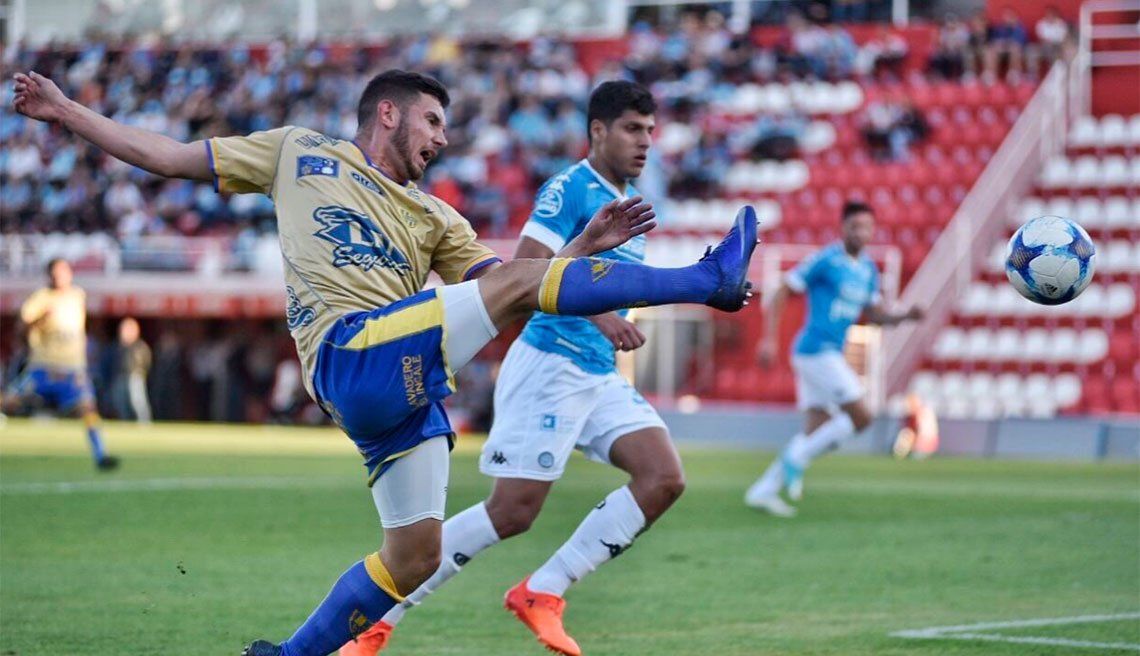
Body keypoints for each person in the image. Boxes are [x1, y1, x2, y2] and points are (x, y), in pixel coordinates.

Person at [13, 69, 758, 656]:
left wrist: (580, 252)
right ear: (390, 114)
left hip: (401, 388)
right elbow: (169, 157)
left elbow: (515, 293)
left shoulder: (436, 217)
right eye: (433, 121)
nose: (442, 139)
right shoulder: (298, 151)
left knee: (414, 557)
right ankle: (706, 281)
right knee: (509, 304)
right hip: (349, 347)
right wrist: (67, 111)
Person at [341, 81, 675, 656]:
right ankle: (376, 619)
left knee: (663, 477)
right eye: (631, 129)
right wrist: (603, 317)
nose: (644, 141)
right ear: (598, 131)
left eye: (649, 130)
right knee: (512, 511)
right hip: (550, 363)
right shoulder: (569, 189)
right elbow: (527, 267)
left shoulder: (632, 199)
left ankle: (543, 590)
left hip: (597, 373)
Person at [745, 201, 923, 517]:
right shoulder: (827, 260)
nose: (861, 233)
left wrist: (905, 316)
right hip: (816, 349)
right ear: (843, 228)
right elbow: (782, 290)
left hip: (827, 354)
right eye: (855, 227)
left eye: (867, 227)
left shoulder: (868, 270)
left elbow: (875, 315)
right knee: (862, 416)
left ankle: (764, 490)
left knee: (816, 430)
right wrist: (768, 339)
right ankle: (796, 458)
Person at [2, 258, 119, 470]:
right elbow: (22, 327)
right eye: (55, 274)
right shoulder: (41, 298)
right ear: (49, 276)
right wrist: (40, 321)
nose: (60, 277)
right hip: (43, 367)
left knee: (88, 409)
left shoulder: (77, 296)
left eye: (63, 272)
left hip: (73, 370)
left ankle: (101, 455)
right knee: (8, 401)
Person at [111, 316, 152, 423]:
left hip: (135, 377)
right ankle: (125, 422)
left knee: (138, 402)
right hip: (121, 377)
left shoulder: (140, 346)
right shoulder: (118, 347)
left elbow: (146, 362)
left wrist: (140, 373)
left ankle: (144, 423)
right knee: (120, 402)